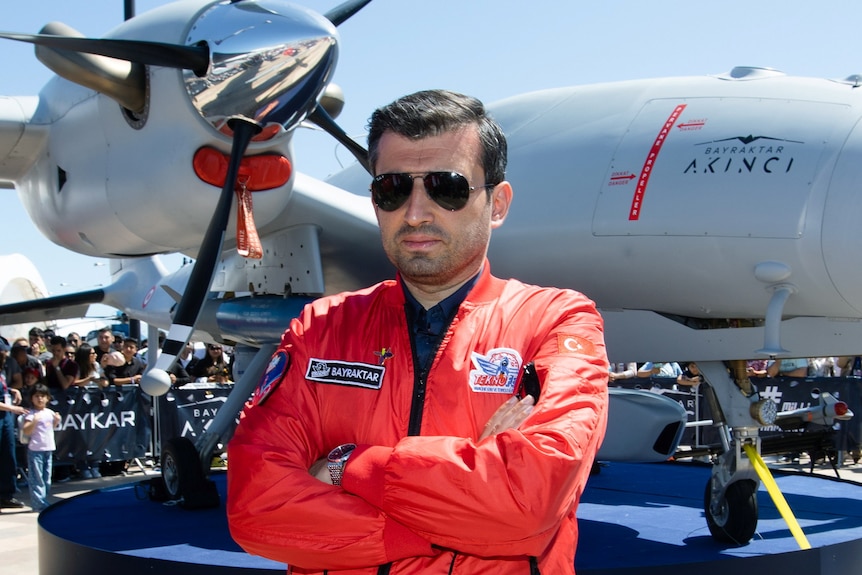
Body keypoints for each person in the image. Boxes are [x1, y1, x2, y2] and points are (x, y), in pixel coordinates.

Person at [227, 89, 609, 574]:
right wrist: (465, 517)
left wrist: (348, 465)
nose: (415, 212)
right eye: (392, 188)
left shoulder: (556, 319)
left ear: (497, 203)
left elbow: (528, 503)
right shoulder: (318, 327)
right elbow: (256, 506)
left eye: (446, 187)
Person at [21, 384, 61, 512]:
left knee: (46, 478)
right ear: (31, 398)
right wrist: (34, 421)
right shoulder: (31, 414)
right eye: (36, 396)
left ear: (47, 398)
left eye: (42, 396)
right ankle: (38, 503)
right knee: (37, 478)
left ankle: (43, 499)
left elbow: (51, 428)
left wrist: (56, 421)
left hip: (48, 448)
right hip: (35, 450)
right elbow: (26, 430)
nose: (39, 399)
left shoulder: (49, 412)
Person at [1, 339, 28, 509]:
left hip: (5, 418)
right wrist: (12, 408)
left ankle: (6, 494)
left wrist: (12, 390)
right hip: (5, 412)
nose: (5, 358)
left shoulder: (3, 369)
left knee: (8, 455)